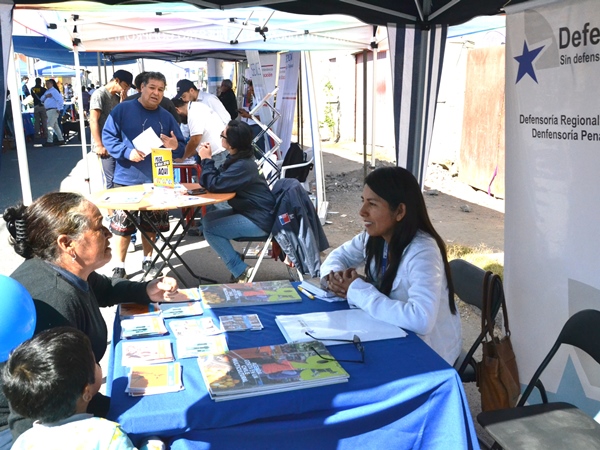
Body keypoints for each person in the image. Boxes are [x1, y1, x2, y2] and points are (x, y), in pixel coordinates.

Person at [1, 192, 180, 441]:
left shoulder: (63, 268)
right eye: (99, 227)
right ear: (66, 243)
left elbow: (103, 288)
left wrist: (145, 289)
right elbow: (38, 407)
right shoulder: (54, 300)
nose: (109, 233)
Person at [320, 166, 461, 365]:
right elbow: (336, 257)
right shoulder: (373, 238)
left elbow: (421, 320)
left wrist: (358, 290)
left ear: (400, 211)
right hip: (390, 332)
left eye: (372, 204)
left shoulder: (423, 252)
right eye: (363, 201)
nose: (362, 212)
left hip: (429, 353)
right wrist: (335, 279)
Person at [2, 327, 164, 450]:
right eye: (94, 362)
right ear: (86, 392)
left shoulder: (23, 442)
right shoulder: (107, 435)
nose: (97, 365)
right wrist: (153, 443)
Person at [103, 71, 185, 279]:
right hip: (126, 180)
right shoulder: (122, 110)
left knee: (150, 227)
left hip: (157, 181)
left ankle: (148, 259)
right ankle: (119, 265)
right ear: (141, 88)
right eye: (152, 88)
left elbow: (181, 147)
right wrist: (126, 151)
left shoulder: (166, 116)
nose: (156, 93)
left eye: (160, 89)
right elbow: (108, 137)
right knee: (122, 228)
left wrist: (175, 146)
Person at [199, 120, 275, 282]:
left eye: (222, 135)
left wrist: (206, 160)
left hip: (259, 220)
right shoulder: (238, 158)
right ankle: (235, 259)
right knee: (208, 220)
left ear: (231, 144)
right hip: (253, 212)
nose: (220, 138)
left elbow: (214, 185)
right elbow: (216, 180)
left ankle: (241, 271)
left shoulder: (243, 165)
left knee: (211, 229)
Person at [90, 69, 133, 192]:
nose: (125, 90)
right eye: (125, 86)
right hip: (104, 145)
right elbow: (93, 120)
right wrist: (99, 145)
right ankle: (112, 211)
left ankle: (120, 210)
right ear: (117, 81)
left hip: (115, 143)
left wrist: (123, 102)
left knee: (119, 179)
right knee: (110, 180)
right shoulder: (99, 94)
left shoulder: (117, 97)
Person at [171, 97, 228, 168]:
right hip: (217, 153)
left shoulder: (193, 113)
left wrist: (183, 158)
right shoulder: (196, 106)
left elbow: (195, 140)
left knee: (213, 178)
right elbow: (198, 143)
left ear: (177, 110)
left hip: (217, 155)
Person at [237, 79, 267, 157]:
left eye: (252, 90)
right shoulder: (254, 98)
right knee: (253, 149)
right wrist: (246, 113)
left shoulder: (261, 99)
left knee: (259, 150)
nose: (251, 91)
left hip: (258, 127)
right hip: (251, 126)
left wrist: (248, 115)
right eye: (250, 89)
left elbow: (264, 116)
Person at [41, 79, 65, 147]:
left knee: (49, 125)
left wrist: (58, 108)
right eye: (46, 83)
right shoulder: (47, 91)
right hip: (48, 110)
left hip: (53, 109)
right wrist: (46, 96)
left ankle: (50, 140)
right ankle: (61, 139)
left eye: (48, 83)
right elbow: (41, 99)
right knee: (55, 125)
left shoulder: (54, 91)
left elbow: (60, 100)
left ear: (52, 84)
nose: (47, 85)